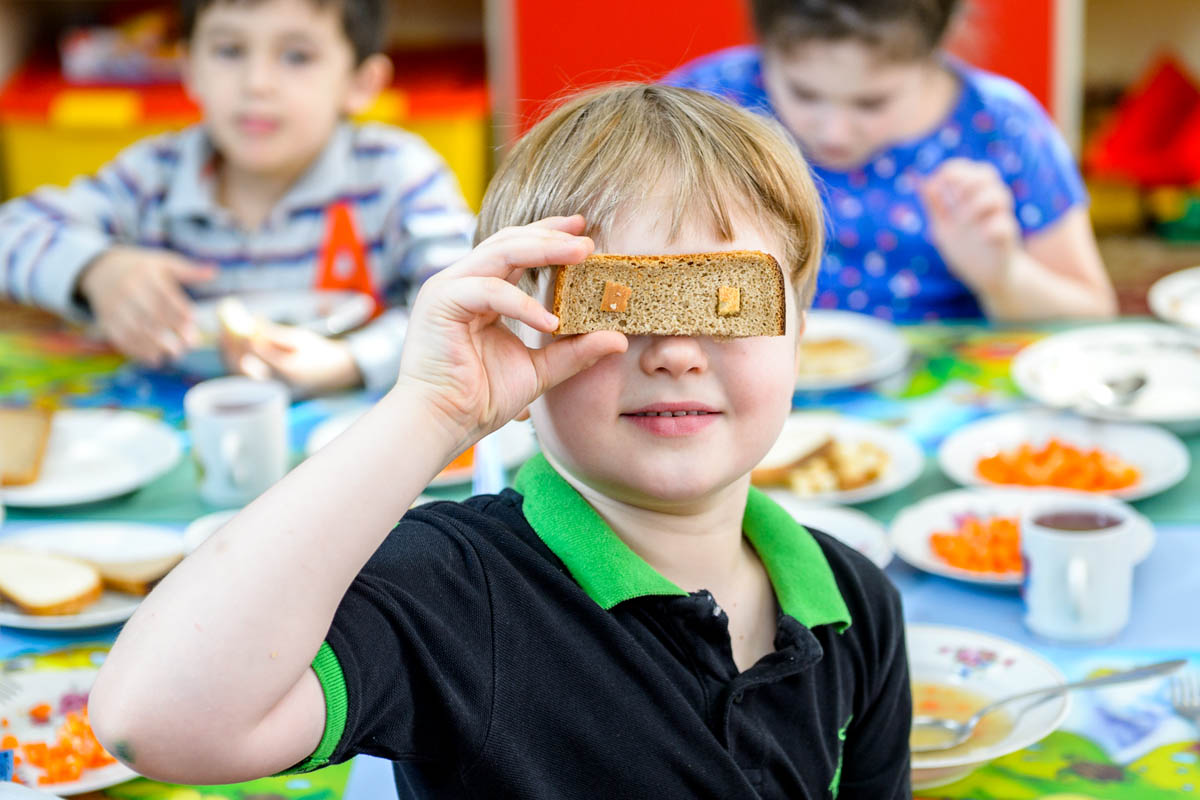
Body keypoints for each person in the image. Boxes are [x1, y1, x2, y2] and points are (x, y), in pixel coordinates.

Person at [89, 84, 912, 799]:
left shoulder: (857, 603)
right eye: (615, 302)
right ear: (520, 324)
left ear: (801, 336)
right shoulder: (451, 591)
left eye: (728, 302)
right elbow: (154, 721)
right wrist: (431, 408)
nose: (673, 351)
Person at [0, 0, 474, 394]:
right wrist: (96, 271)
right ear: (190, 68)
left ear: (360, 83)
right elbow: (11, 232)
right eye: (229, 51)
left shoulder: (397, 175)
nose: (256, 84)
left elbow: (467, 304)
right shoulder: (151, 178)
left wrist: (353, 360)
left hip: (353, 442)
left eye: (296, 56)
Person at [667, 0, 1117, 322]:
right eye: (803, 93)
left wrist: (1004, 276)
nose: (833, 132)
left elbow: (1094, 314)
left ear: (933, 54)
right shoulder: (709, 106)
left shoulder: (1000, 128)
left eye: (872, 103)